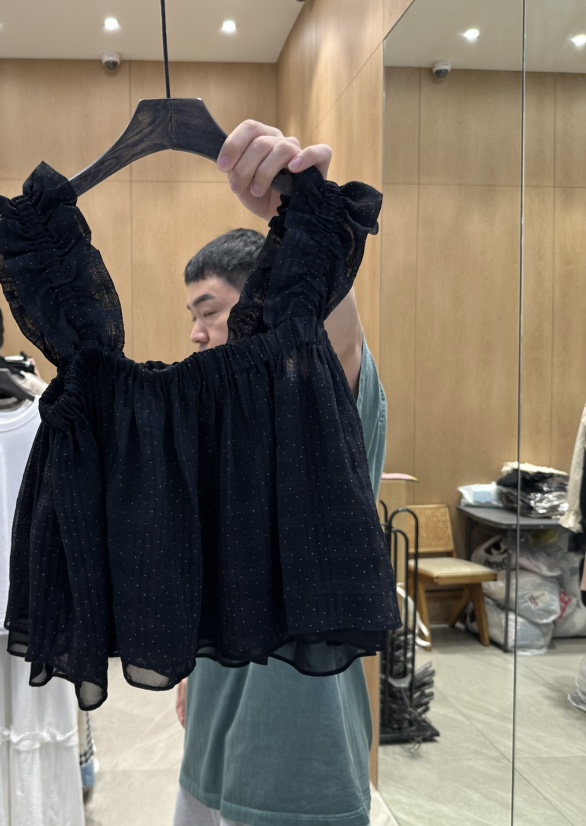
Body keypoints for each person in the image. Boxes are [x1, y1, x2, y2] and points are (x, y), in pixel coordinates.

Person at [173, 121, 388, 826]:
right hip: (212, 745)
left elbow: (339, 338)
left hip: (299, 765)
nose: (196, 333)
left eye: (210, 311)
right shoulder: (221, 423)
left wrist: (300, 223)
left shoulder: (324, 406)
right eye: (191, 316)